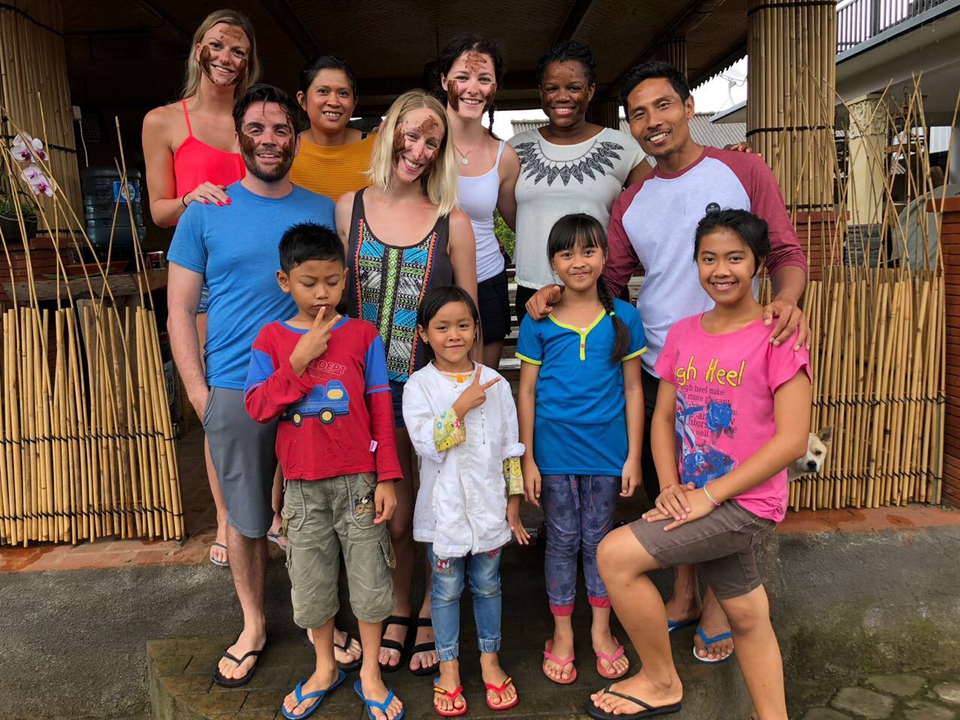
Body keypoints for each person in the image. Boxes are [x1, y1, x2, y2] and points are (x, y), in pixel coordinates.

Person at [525, 60, 810, 664]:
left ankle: (716, 605)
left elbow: (783, 248)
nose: (652, 122)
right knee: (673, 482)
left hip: (737, 359)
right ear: (630, 127)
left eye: (662, 106)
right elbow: (612, 278)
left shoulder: (742, 169)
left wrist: (786, 299)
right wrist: (555, 293)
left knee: (726, 476)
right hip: (663, 360)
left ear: (686, 107)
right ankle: (683, 594)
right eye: (638, 115)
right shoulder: (632, 200)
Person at [587, 209, 811, 720]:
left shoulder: (778, 335)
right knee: (748, 617)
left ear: (757, 264)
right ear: (695, 263)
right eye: (708, 258)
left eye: (735, 257)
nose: (721, 269)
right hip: (696, 499)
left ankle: (662, 681)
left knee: (615, 557)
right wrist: (669, 485)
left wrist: (706, 496)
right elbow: (664, 417)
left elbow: (793, 440)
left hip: (744, 503)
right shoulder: (686, 333)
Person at [167, 84, 335, 688]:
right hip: (236, 386)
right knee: (244, 519)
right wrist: (198, 393)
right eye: (258, 128)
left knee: (317, 507)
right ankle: (254, 624)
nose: (270, 139)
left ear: (296, 136)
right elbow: (180, 309)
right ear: (239, 135)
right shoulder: (205, 211)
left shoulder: (322, 209)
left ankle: (321, 619)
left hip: (316, 387)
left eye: (282, 129)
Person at [336, 89, 478, 676]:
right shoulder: (349, 209)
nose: (418, 151)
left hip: (428, 391)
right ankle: (397, 604)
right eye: (410, 135)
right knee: (387, 513)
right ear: (390, 131)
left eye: (431, 142)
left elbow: (470, 316)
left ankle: (426, 605)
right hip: (362, 392)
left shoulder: (454, 221)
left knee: (433, 505)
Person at [243, 223, 404, 720]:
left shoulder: (362, 334)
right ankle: (324, 667)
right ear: (283, 281)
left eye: (332, 281)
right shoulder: (270, 339)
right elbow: (257, 407)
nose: (322, 293)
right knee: (310, 585)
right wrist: (296, 362)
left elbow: (381, 408)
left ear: (345, 278)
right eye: (309, 281)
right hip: (302, 488)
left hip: (359, 482)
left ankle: (371, 673)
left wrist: (388, 477)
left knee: (371, 581)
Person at [143, 8, 259, 568]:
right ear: (198, 49)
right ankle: (226, 518)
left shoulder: (257, 119)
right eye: (217, 46)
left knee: (274, 390)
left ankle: (273, 513)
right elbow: (159, 208)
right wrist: (191, 198)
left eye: (237, 50)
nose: (226, 58)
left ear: (247, 60)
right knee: (221, 402)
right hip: (204, 274)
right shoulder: (164, 120)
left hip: (260, 274)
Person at [516, 214, 646, 685]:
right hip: (552, 455)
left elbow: (633, 391)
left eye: (588, 251)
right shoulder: (539, 320)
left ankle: (600, 631)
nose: (578, 262)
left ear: (605, 257)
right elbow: (526, 391)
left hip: (607, 455)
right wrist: (527, 458)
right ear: (551, 262)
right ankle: (563, 633)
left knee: (599, 541)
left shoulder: (623, 318)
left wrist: (632, 456)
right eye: (566, 253)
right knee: (563, 540)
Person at [402, 286, 528, 716]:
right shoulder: (419, 387)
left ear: (476, 330)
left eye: (462, 325)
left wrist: (514, 503)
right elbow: (427, 445)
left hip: (491, 510)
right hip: (444, 515)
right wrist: (458, 407)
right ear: (424, 334)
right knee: (446, 589)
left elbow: (510, 446)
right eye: (442, 327)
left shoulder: (494, 383)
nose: (453, 335)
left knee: (489, 584)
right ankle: (450, 666)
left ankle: (490, 661)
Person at [507, 40, 650, 324]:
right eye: (552, 88)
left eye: (573, 87)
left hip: (600, 290)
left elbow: (655, 204)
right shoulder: (515, 149)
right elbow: (515, 215)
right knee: (540, 367)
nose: (562, 97)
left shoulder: (621, 146)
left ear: (590, 91)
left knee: (604, 366)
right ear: (541, 93)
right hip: (534, 291)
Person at [436, 34, 520, 369]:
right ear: (444, 81)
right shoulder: (419, 142)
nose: (474, 88)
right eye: (462, 77)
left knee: (481, 386)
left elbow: (518, 222)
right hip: (430, 279)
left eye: (484, 79)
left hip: (487, 280)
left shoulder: (505, 156)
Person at [290, 55, 376, 201]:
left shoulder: (378, 148)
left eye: (343, 93)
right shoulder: (286, 149)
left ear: (354, 103)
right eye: (323, 91)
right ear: (302, 100)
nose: (334, 102)